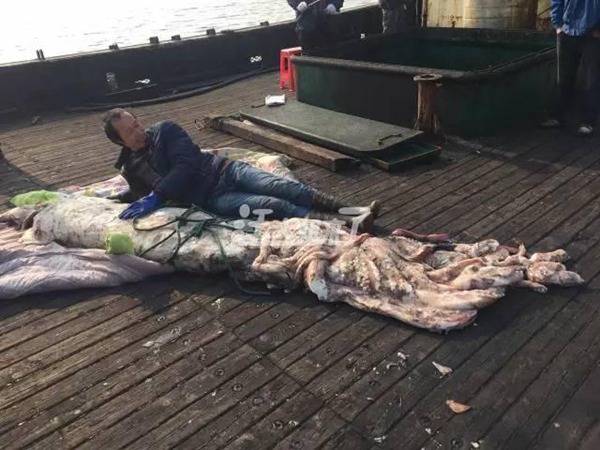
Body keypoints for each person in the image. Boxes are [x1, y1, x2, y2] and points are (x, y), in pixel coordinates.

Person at [102, 109, 379, 228]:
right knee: (274, 206)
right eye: (130, 132)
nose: (138, 132)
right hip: (213, 198)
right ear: (119, 142)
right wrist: (120, 199)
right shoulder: (131, 167)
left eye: (137, 124)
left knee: (282, 186)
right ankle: (348, 223)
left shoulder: (166, 130)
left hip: (226, 170)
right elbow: (139, 195)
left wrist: (158, 194)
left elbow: (185, 165)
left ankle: (354, 209)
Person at [542, 0, 600, 136]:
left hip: (593, 35)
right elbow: (557, 2)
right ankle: (558, 117)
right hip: (567, 32)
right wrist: (558, 25)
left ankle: (588, 122)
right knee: (563, 78)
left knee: (592, 80)